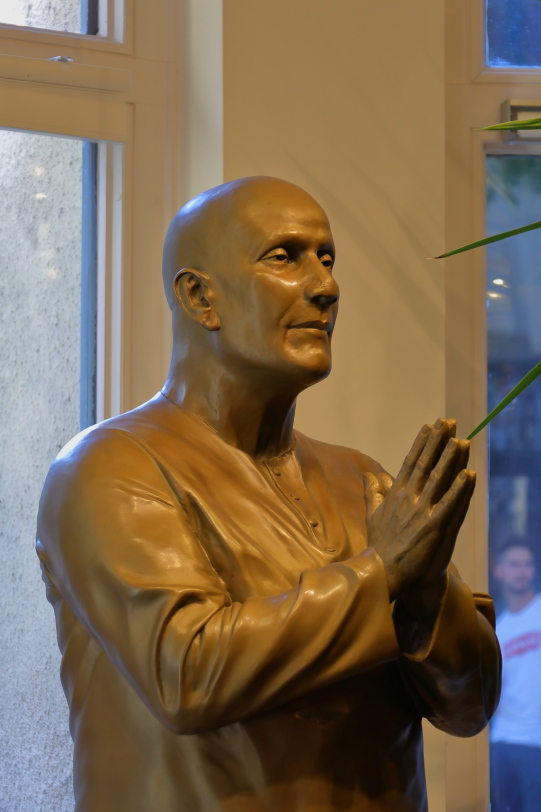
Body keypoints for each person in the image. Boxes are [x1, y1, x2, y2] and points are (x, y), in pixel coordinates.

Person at [37, 176, 501, 812]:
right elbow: (186, 672)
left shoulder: (363, 482)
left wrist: (423, 599)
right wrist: (381, 577)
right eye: (285, 257)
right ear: (200, 297)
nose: (326, 286)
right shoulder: (107, 469)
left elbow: (471, 706)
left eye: (328, 258)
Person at [490, 539, 541, 812]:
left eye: (527, 564)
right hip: (503, 741)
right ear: (498, 570)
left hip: (537, 742)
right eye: (514, 564)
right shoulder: (498, 629)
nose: (521, 571)